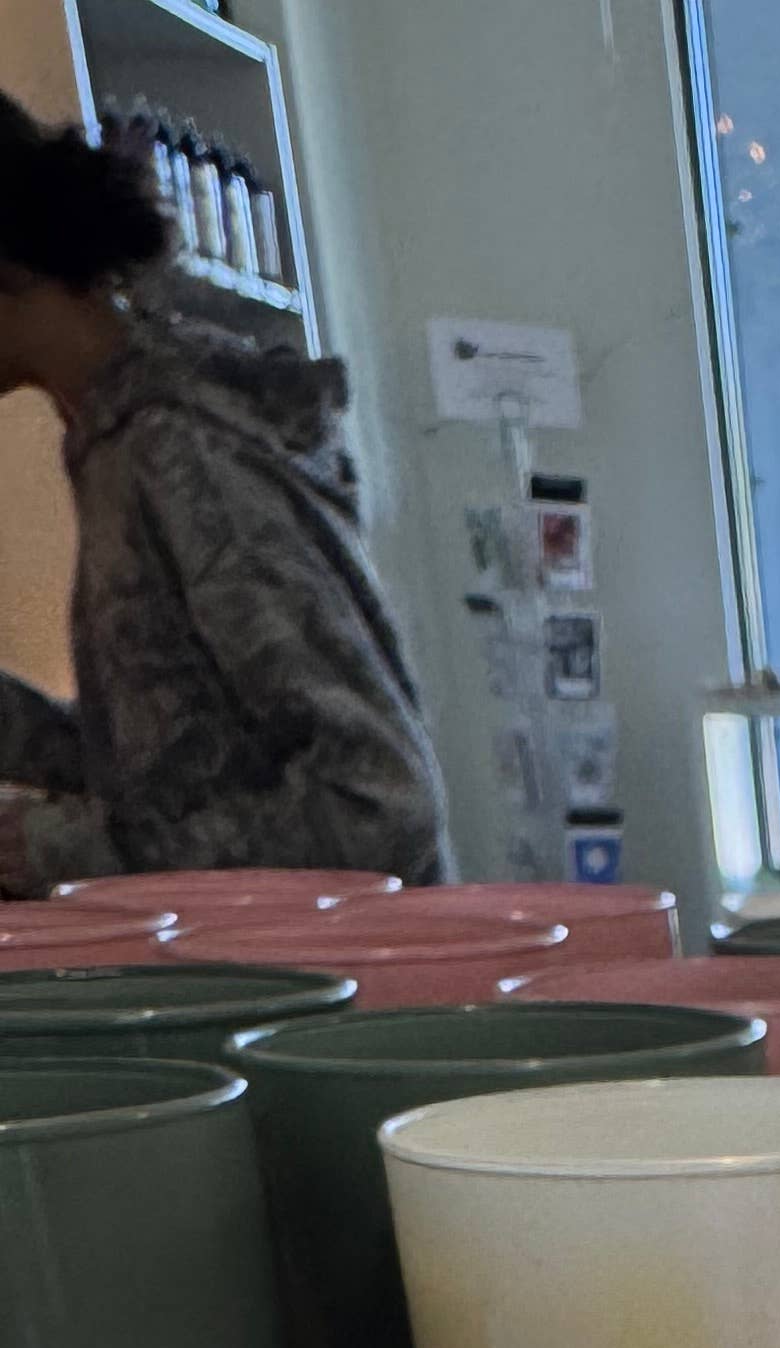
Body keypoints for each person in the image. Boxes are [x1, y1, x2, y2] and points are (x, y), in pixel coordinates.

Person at [0, 94, 448, 890]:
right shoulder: (115, 442)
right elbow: (181, 771)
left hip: (326, 970)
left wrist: (66, 852)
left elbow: (377, 802)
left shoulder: (181, 445)